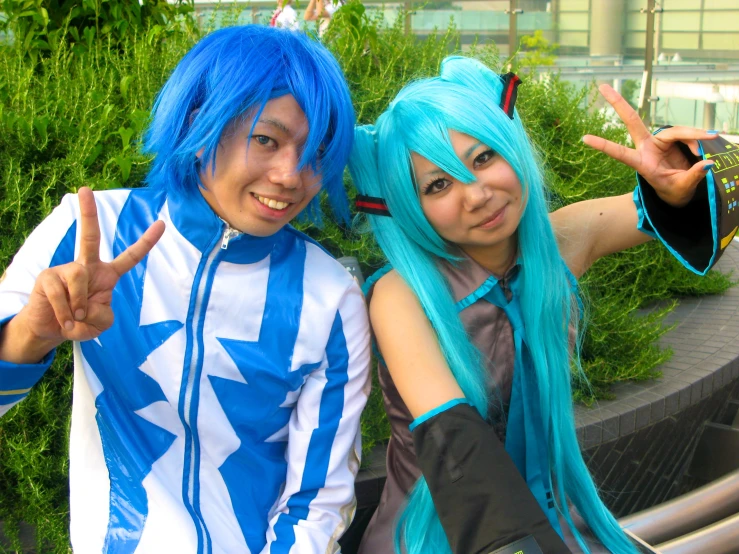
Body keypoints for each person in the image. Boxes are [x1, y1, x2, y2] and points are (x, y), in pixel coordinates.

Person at [0, 25, 370, 554]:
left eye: (316, 152)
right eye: (266, 139)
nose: (292, 175)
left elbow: (318, 501)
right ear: (200, 121)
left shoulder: (331, 299)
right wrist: (31, 336)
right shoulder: (91, 230)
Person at [349, 56, 720, 554]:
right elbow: (453, 437)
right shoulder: (401, 294)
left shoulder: (562, 239)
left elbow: (676, 205)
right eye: (438, 184)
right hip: (441, 535)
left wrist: (678, 181)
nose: (477, 195)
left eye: (483, 158)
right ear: (409, 205)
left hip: (563, 518)